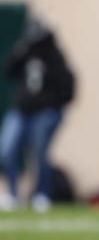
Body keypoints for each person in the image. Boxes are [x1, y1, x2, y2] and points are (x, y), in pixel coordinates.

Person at [0, 14, 75, 212]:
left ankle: (42, 194)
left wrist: (54, 106)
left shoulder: (54, 55)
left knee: (40, 154)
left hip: (44, 111)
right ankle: (12, 194)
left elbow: (68, 84)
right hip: (21, 110)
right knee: (7, 149)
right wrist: (20, 50)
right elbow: (9, 69)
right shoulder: (26, 51)